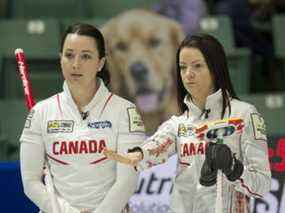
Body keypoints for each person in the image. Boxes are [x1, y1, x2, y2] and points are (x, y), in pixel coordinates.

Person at [104, 34, 271, 212]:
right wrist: (137, 155)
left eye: (197, 66)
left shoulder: (244, 115)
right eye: (183, 67)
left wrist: (233, 169)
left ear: (215, 68)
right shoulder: (178, 124)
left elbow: (262, 185)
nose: (188, 74)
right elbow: (155, 145)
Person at [19, 23, 146, 213]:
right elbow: (30, 182)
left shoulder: (125, 111)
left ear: (100, 63)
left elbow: (127, 182)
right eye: (69, 55)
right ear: (60, 59)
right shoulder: (41, 112)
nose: (76, 64)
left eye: (86, 56)